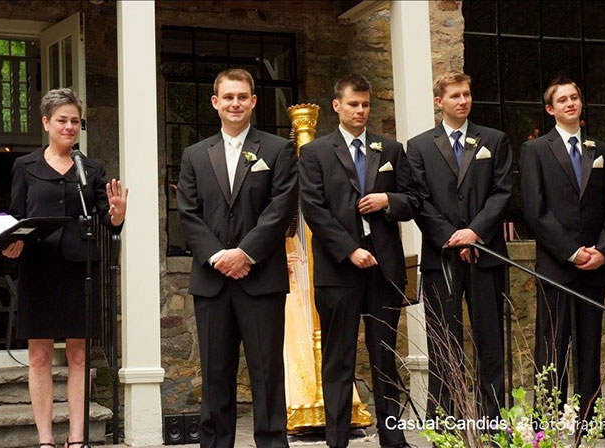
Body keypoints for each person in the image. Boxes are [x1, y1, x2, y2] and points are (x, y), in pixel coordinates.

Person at [176, 68, 297, 448]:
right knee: (215, 375)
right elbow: (188, 214)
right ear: (215, 102)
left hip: (261, 280)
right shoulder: (195, 154)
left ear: (253, 101)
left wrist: (245, 253)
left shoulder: (277, 150)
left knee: (266, 375)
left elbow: (280, 209)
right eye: (228, 97)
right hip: (212, 282)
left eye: (242, 97)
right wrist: (217, 256)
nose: (235, 103)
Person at [1, 88, 128, 448]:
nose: (70, 126)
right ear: (46, 123)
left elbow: (109, 218)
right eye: (62, 120)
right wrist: (12, 242)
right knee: (39, 354)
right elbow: (16, 215)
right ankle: (45, 439)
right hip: (38, 268)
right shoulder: (24, 165)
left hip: (79, 268)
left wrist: (117, 215)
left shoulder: (91, 169)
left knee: (79, 354)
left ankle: (76, 438)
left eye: (75, 120)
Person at [298, 74, 419, 448]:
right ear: (337, 105)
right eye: (353, 104)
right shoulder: (315, 152)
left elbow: (412, 200)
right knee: (339, 358)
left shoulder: (391, 150)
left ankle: (392, 438)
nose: (361, 111)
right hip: (338, 271)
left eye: (365, 105)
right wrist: (350, 249)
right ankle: (337, 440)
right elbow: (313, 209)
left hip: (384, 270)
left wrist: (388, 202)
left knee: (384, 356)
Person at [406, 70, 512, 420]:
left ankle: (494, 420)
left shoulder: (494, 140)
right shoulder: (419, 146)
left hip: (486, 255)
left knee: (491, 344)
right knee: (444, 344)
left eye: (466, 94)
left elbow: (502, 192)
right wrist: (452, 238)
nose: (463, 101)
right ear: (440, 101)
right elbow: (419, 200)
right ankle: (445, 423)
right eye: (455, 96)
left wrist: (475, 231)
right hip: (441, 260)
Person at [520, 76, 605, 426]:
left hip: (594, 266)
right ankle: (547, 415)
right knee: (552, 344)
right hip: (556, 265)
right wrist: (570, 250)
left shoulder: (602, 150)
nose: (570, 103)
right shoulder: (535, 150)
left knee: (590, 345)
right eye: (562, 99)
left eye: (575, 97)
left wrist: (603, 252)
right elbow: (534, 210)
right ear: (550, 109)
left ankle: (590, 416)